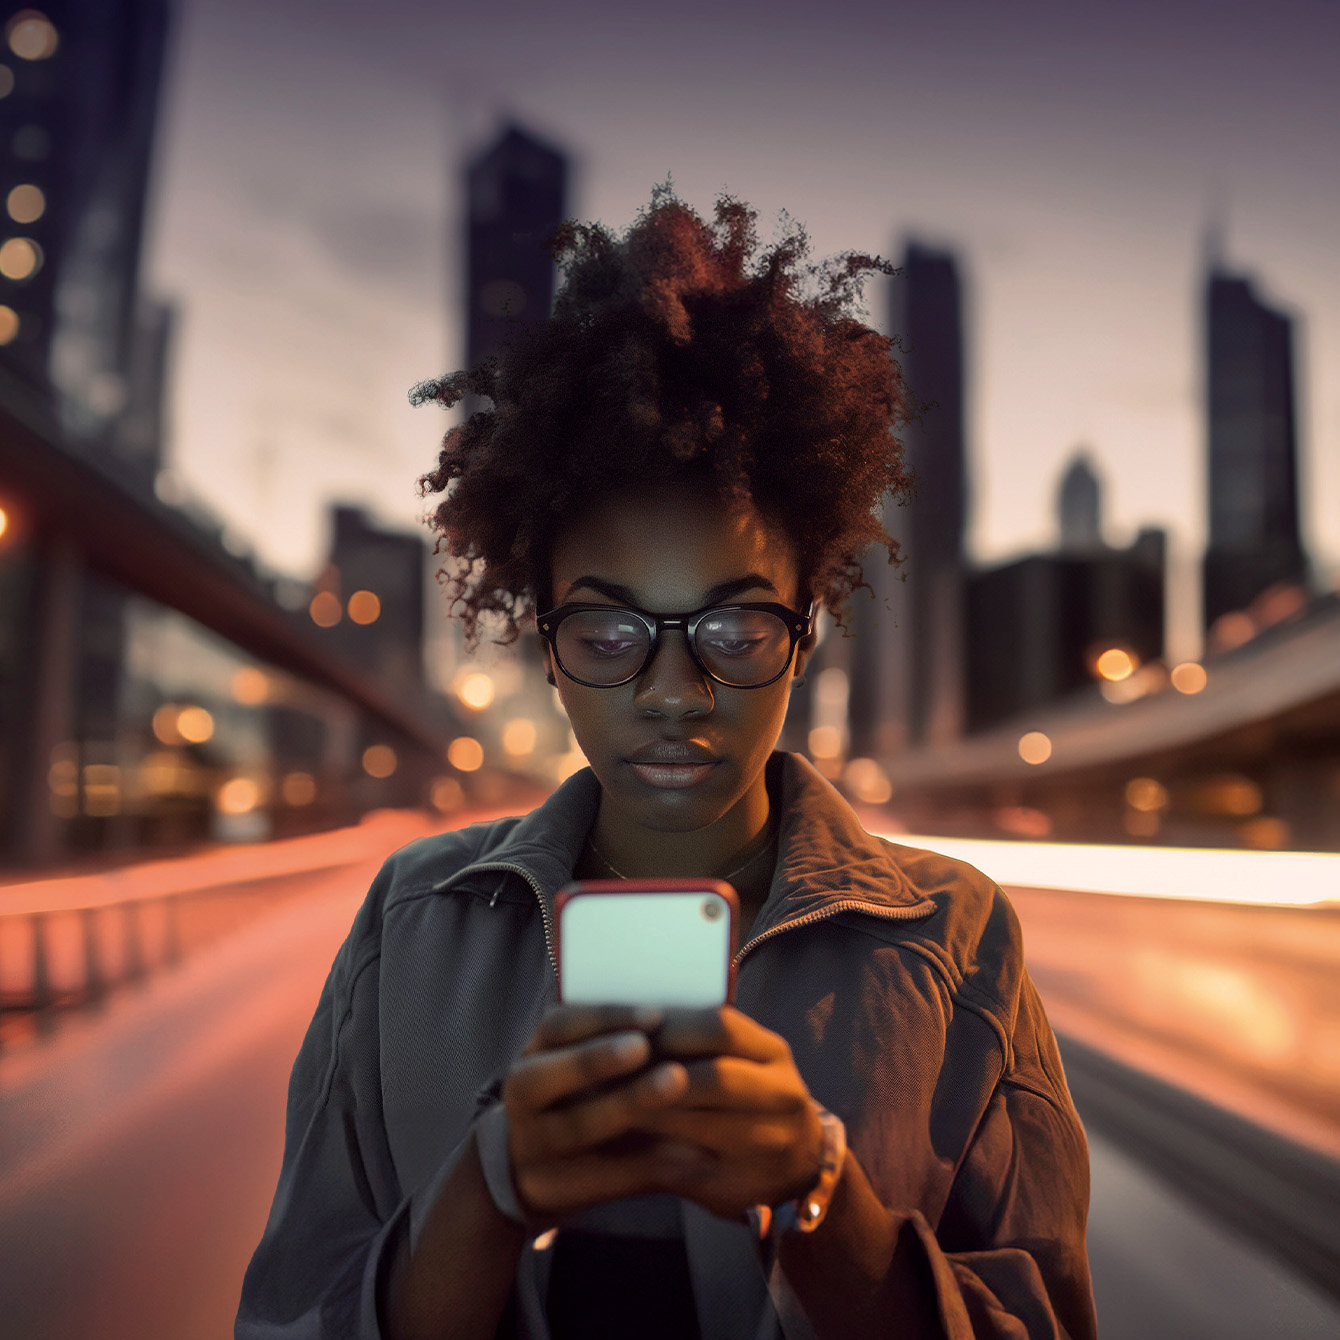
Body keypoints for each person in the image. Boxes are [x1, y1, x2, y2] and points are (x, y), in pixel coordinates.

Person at [236, 188, 1097, 1340]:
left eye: (736, 630)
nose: (673, 692)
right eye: (605, 633)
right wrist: (489, 1187)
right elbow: (293, 1317)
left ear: (806, 629)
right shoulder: (412, 919)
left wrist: (816, 1189)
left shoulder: (955, 937)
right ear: (544, 642)